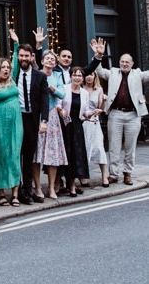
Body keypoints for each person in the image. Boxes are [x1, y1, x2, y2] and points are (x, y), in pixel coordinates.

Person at [86, 38, 149, 186]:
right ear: (119, 62)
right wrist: (98, 55)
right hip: (115, 114)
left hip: (133, 115)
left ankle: (127, 173)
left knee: (130, 147)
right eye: (122, 61)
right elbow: (98, 70)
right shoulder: (113, 72)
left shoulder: (138, 74)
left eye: (127, 62)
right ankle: (113, 174)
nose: (124, 64)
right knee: (114, 146)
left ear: (132, 64)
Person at [9, 34, 49, 205]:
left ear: (32, 57)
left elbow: (44, 101)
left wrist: (44, 121)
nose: (24, 58)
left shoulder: (40, 76)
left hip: (32, 120)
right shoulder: (14, 74)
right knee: (16, 155)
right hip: (17, 119)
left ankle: (27, 190)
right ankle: (16, 192)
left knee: (29, 157)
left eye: (27, 56)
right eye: (21, 55)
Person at [0, 57, 23, 206]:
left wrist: (15, 43)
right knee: (0, 156)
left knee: (14, 155)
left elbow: (16, 62)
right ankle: (1, 193)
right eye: (3, 67)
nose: (6, 69)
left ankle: (15, 194)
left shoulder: (13, 81)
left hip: (15, 124)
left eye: (8, 67)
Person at [33, 51, 68, 199]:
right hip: (37, 114)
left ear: (55, 63)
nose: (50, 61)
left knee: (53, 153)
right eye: (47, 58)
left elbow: (62, 94)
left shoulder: (57, 76)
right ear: (42, 61)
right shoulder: (36, 74)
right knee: (36, 153)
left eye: (53, 59)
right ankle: (38, 187)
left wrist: (52, 88)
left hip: (52, 115)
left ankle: (52, 188)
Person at [60, 66, 90, 195]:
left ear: (82, 79)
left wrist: (92, 113)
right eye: (75, 75)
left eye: (80, 75)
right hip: (65, 125)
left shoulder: (85, 93)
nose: (77, 77)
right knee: (66, 154)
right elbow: (57, 104)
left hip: (77, 126)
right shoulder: (64, 89)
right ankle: (62, 183)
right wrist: (61, 111)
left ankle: (72, 185)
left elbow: (85, 111)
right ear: (71, 76)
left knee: (76, 156)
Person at [78, 70, 109, 187]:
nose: (89, 77)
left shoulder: (99, 90)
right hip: (82, 122)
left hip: (95, 122)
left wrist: (102, 105)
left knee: (99, 148)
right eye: (86, 75)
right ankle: (83, 176)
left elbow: (101, 108)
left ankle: (104, 175)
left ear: (95, 76)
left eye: (91, 75)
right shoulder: (80, 89)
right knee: (83, 149)